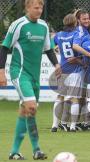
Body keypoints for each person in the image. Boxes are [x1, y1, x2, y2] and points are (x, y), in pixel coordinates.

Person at [0, 0, 61, 160]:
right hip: (19, 73)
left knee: (27, 111)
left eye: (41, 7)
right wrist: (1, 72)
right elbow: (4, 48)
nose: (39, 10)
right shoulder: (18, 24)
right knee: (31, 107)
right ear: (27, 8)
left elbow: (48, 49)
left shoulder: (43, 26)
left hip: (34, 76)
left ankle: (20, 151)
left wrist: (56, 64)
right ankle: (35, 149)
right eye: (36, 7)